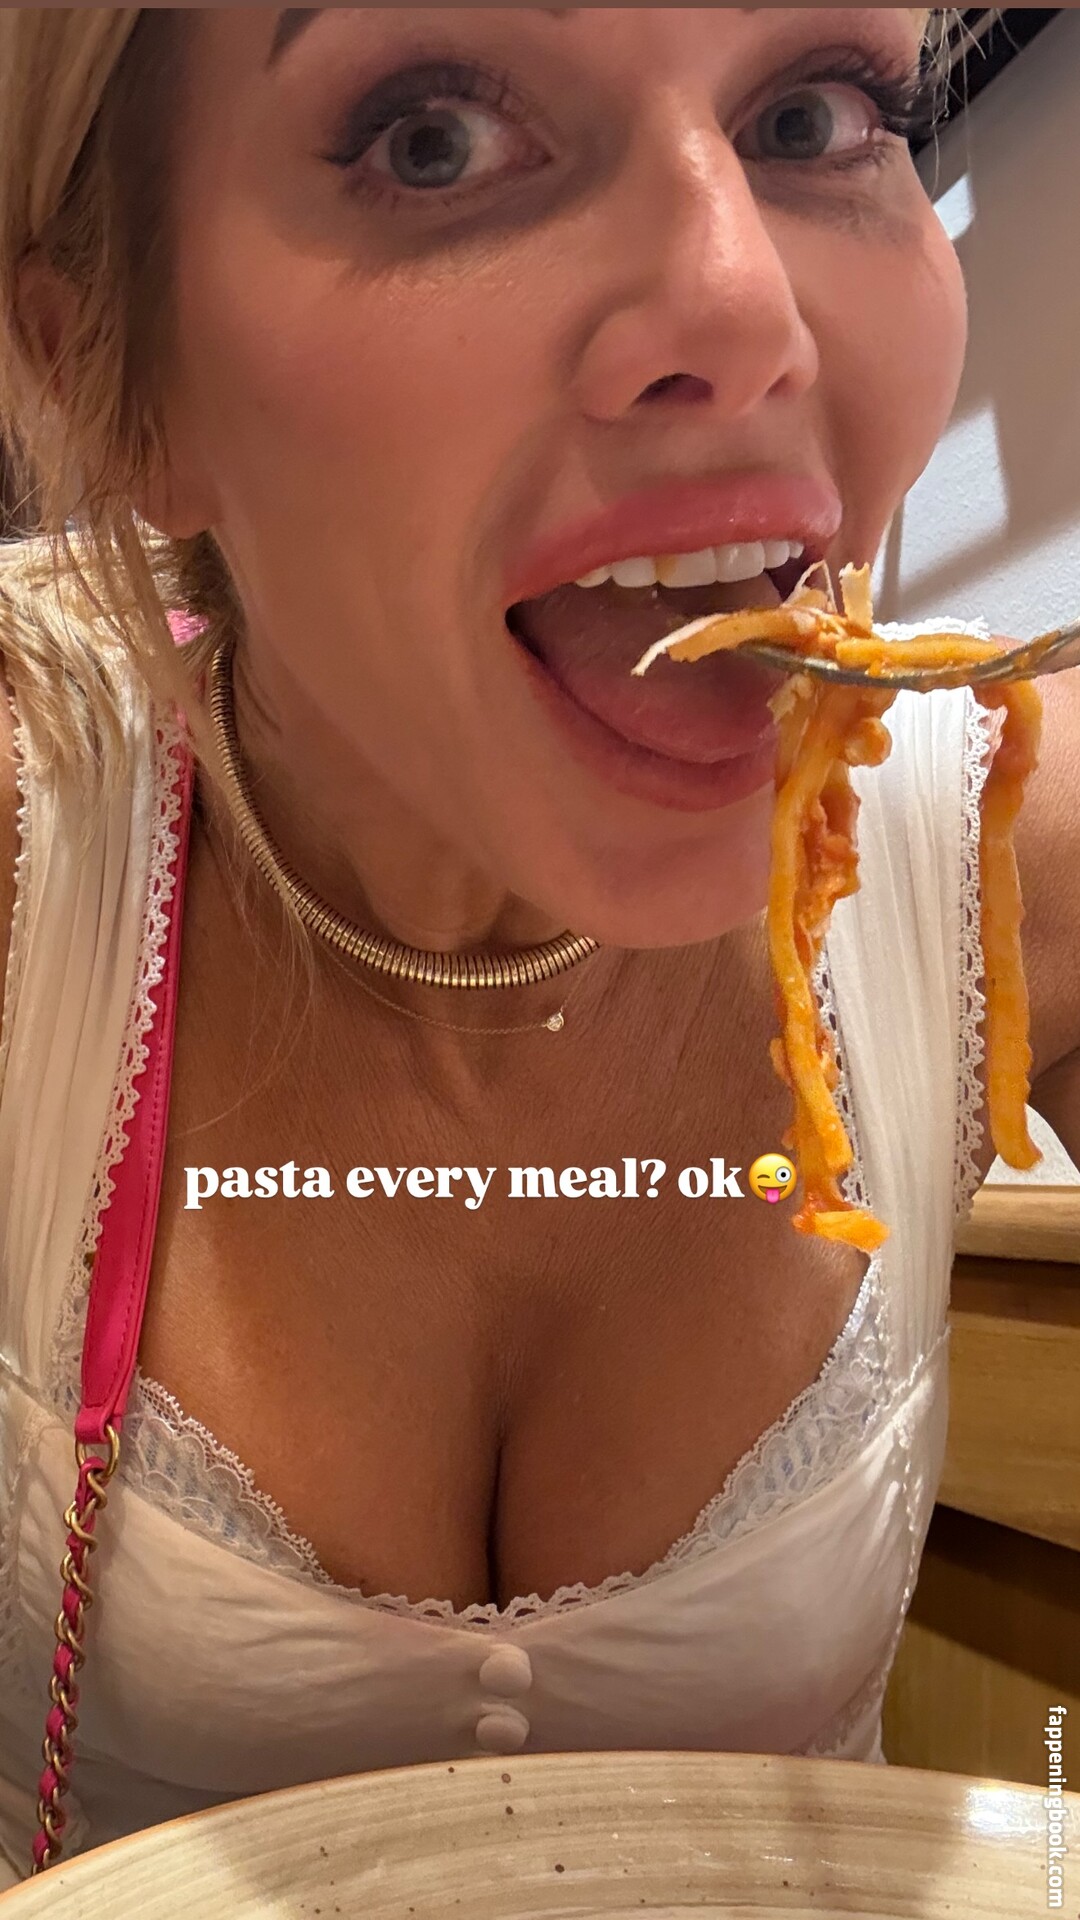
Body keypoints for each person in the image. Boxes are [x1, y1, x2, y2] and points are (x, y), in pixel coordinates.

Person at [0, 4, 1077, 1886]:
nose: (746, 308)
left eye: (818, 114)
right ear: (112, 371)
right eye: (431, 138)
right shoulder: (37, 844)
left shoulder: (999, 843)